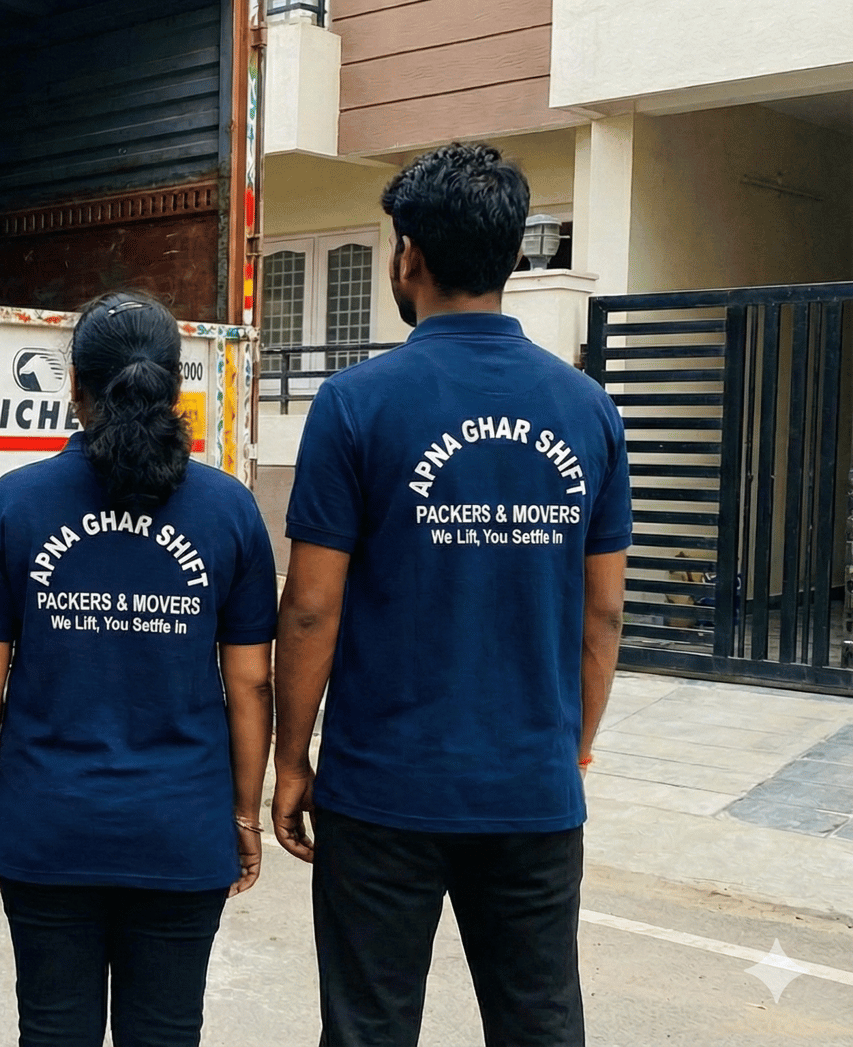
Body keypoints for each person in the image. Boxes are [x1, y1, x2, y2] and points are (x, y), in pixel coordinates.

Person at [272, 142, 631, 1047]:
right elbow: (605, 610)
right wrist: (571, 745)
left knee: (369, 1027)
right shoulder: (587, 408)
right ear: (509, 256)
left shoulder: (354, 403)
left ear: (409, 257)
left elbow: (312, 605)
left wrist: (290, 757)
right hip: (531, 789)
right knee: (539, 1022)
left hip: (381, 792)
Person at [0, 291, 278, 1047]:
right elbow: (251, 681)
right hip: (181, 829)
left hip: (48, 825)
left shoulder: (14, 504)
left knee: (53, 1030)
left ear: (74, 386)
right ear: (176, 385)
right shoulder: (229, 511)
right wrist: (242, 813)